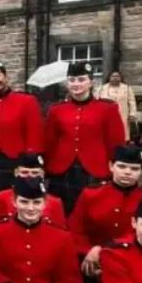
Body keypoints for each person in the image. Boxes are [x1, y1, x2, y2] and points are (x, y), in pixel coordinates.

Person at [69, 144, 142, 283]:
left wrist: (104, 250)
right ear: (111, 166)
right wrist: (88, 251)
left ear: (141, 171)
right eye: (121, 166)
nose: (127, 172)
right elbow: (75, 230)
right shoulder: (91, 194)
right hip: (91, 263)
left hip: (131, 263)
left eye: (134, 168)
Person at [44, 61, 126, 214]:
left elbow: (116, 142)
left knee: (93, 212)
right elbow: (50, 142)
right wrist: (46, 167)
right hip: (62, 169)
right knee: (62, 212)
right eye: (72, 80)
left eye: (81, 79)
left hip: (95, 167)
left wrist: (116, 167)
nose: (76, 84)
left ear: (91, 82)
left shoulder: (107, 108)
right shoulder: (56, 110)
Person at [0, 58, 44, 194]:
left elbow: (34, 135)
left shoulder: (27, 101)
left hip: (18, 162)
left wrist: (31, 164)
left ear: (6, 76)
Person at [0, 153, 66, 227]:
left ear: (42, 174)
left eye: (35, 173)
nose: (30, 176)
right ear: (16, 172)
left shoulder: (55, 202)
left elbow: (59, 232)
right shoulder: (1, 197)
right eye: (24, 172)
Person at [96, 70, 139, 142]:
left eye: (117, 76)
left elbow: (132, 102)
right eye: (113, 76)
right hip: (106, 114)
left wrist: (132, 114)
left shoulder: (127, 88)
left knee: (122, 133)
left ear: (120, 78)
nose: (115, 78)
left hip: (122, 114)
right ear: (109, 77)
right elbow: (96, 101)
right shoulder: (101, 88)